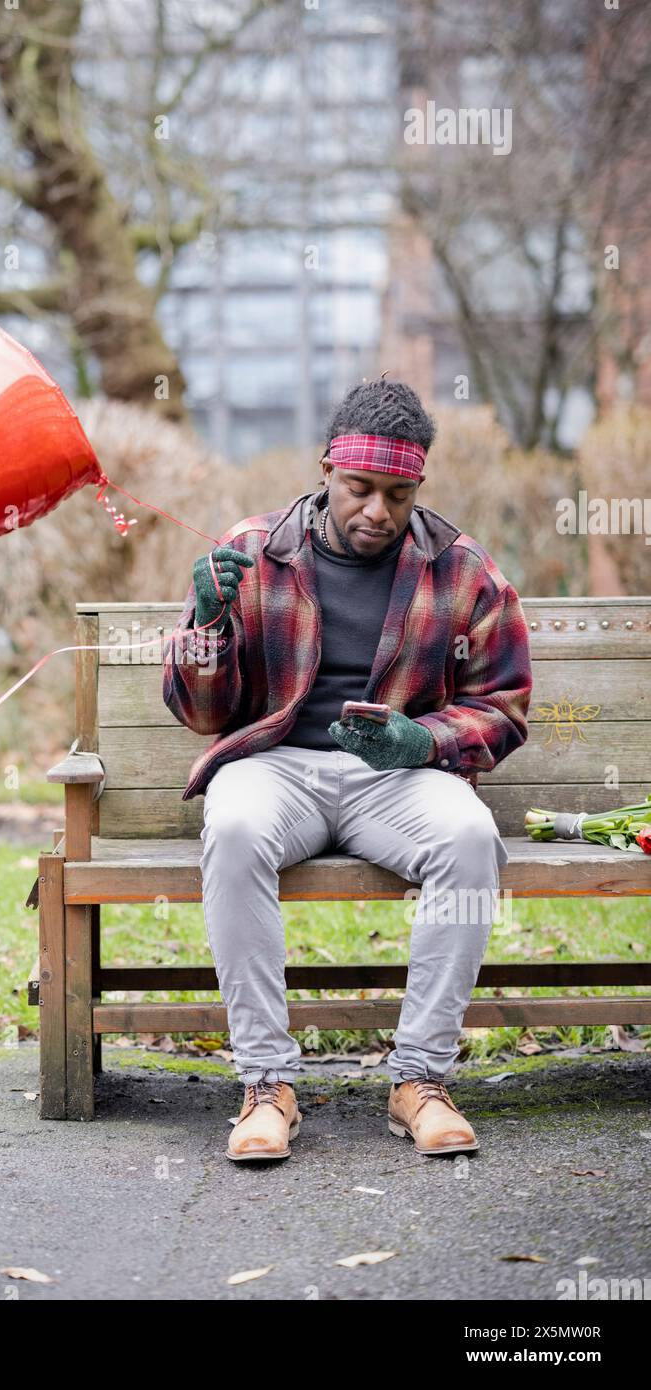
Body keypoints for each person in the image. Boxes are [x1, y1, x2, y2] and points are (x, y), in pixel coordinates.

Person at [161, 378, 533, 1162]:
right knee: (229, 825)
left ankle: (419, 1081)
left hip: (393, 776)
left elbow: (502, 706)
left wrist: (422, 740)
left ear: (417, 486)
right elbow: (200, 713)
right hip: (276, 767)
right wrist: (204, 626)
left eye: (397, 494)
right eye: (359, 488)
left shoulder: (460, 570)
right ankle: (266, 1086)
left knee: (469, 835)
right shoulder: (253, 550)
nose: (377, 511)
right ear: (327, 468)